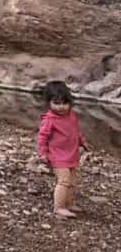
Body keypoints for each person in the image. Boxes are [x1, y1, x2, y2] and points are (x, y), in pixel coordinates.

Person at [36, 79, 88, 218]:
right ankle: (58, 207)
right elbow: (42, 137)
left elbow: (75, 131)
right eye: (56, 103)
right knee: (64, 180)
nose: (61, 107)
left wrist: (82, 141)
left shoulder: (71, 115)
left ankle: (69, 203)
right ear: (49, 103)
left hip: (72, 153)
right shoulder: (49, 119)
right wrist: (42, 152)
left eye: (65, 103)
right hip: (57, 155)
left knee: (72, 180)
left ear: (70, 102)